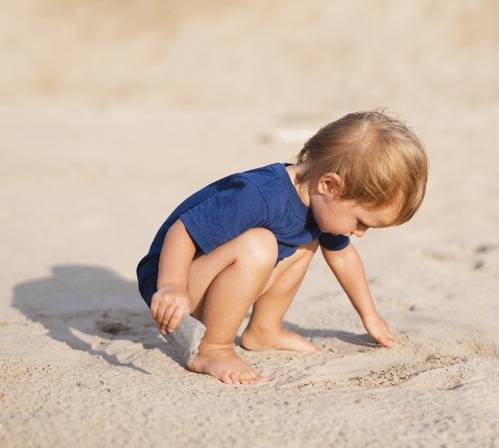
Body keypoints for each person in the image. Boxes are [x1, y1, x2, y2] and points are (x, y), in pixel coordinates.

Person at [135, 111, 428, 385]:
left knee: (306, 241)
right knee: (259, 245)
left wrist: (370, 316)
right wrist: (172, 286)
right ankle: (212, 347)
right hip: (178, 290)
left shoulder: (321, 205)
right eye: (361, 221)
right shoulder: (258, 195)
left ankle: (264, 329)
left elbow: (343, 257)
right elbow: (183, 231)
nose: (360, 233)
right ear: (330, 185)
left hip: (215, 284)